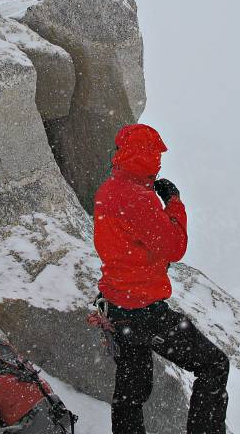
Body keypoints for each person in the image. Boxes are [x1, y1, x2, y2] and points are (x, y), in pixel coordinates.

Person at [93, 123, 229, 434]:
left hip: (117, 306)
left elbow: (129, 245)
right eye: (156, 155)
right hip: (145, 311)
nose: (159, 162)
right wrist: (175, 203)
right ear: (146, 156)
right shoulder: (136, 199)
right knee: (213, 365)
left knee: (131, 392)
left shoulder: (108, 191)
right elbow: (175, 246)